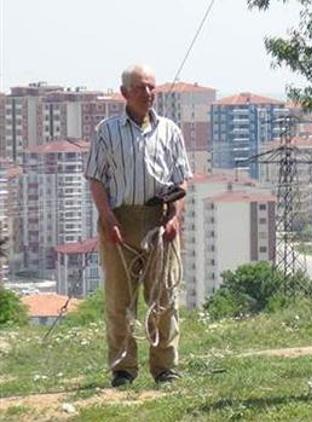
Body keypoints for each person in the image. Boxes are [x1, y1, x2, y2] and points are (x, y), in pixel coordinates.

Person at [84, 64, 192, 387]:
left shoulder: (170, 131)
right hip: (121, 219)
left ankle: (165, 368)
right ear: (125, 93)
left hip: (160, 219)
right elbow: (95, 178)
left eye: (152, 87)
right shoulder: (107, 131)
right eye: (141, 88)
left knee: (164, 297)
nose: (148, 94)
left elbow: (181, 178)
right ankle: (123, 369)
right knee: (120, 301)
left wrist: (174, 215)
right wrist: (107, 217)